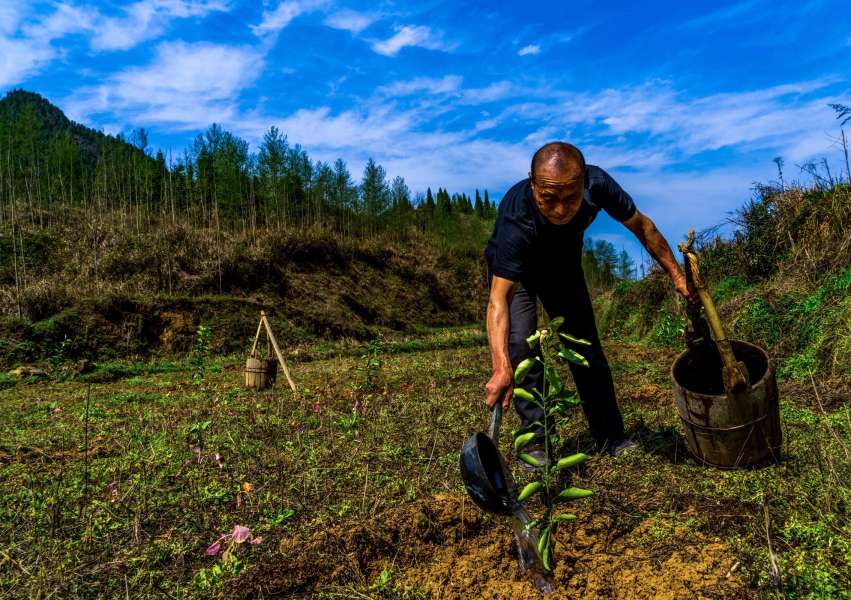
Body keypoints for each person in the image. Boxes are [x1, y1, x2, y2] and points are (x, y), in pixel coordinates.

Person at [484, 142, 694, 460]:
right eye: (548, 198)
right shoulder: (516, 219)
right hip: (519, 275)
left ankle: (610, 435)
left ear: (584, 183)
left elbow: (643, 227)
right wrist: (501, 366)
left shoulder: (599, 185)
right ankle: (536, 441)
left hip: (563, 270)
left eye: (570, 198)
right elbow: (499, 299)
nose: (560, 209)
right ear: (532, 183)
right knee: (522, 348)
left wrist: (678, 276)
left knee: (585, 347)